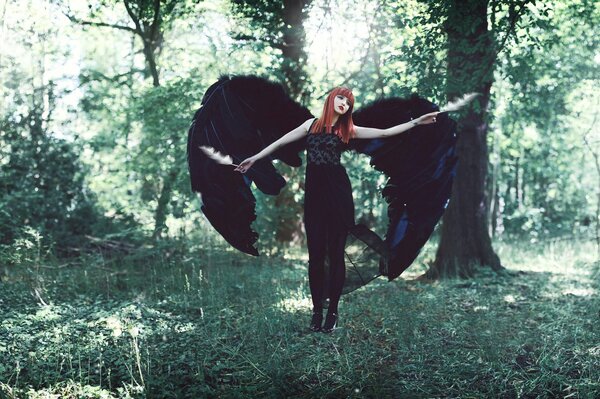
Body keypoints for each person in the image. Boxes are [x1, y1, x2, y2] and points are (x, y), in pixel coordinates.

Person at [234, 87, 439, 333]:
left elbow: (384, 132)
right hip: (315, 196)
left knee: (336, 253)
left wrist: (416, 122)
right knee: (316, 256)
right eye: (341, 98)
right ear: (331, 99)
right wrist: (254, 158)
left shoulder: (347, 130)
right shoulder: (310, 125)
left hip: (339, 195)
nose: (344, 104)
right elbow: (279, 142)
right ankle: (316, 311)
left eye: (348, 102)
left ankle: (332, 313)